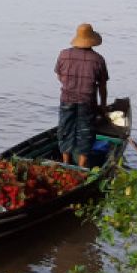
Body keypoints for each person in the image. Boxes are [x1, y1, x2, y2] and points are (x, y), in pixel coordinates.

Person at [55, 23, 109, 167]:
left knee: (65, 129)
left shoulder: (63, 54)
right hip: (87, 102)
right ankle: (81, 166)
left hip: (67, 98)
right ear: (92, 40)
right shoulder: (98, 59)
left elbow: (59, 76)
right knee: (85, 132)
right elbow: (102, 86)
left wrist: (70, 84)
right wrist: (103, 106)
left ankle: (65, 163)